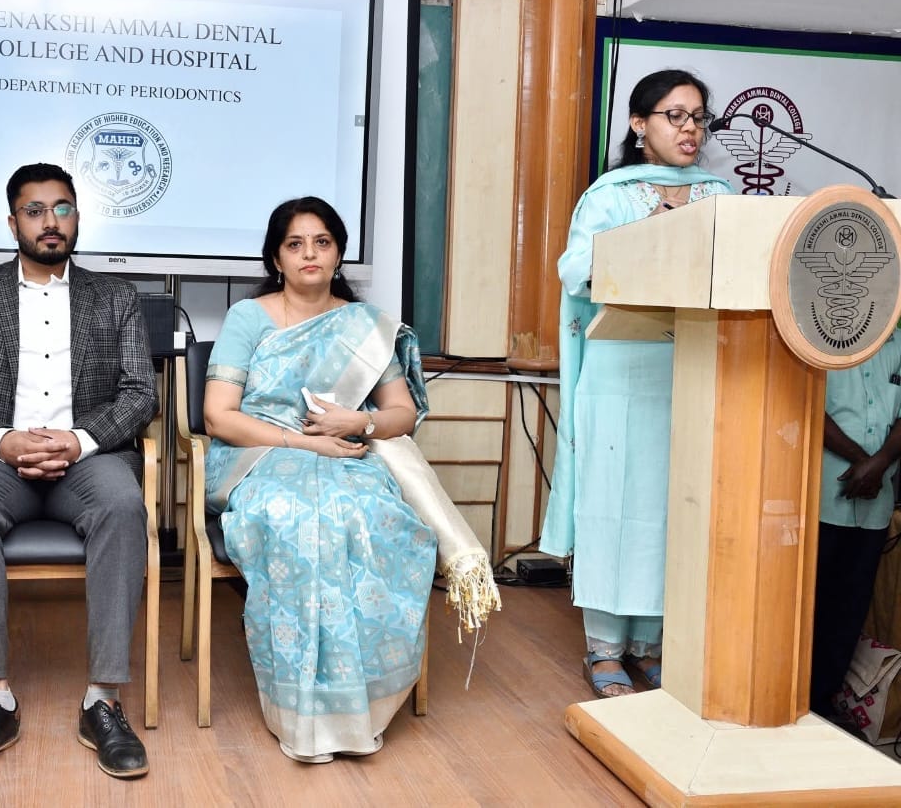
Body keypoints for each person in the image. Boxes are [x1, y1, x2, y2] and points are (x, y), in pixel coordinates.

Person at [203, 196, 497, 764]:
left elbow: (401, 414)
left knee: (372, 515)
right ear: (276, 258)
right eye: (295, 244)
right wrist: (306, 441)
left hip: (348, 454)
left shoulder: (363, 326)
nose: (309, 254)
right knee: (297, 517)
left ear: (339, 254)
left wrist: (357, 422)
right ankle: (300, 712)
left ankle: (359, 705)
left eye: (322, 242)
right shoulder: (248, 318)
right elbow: (219, 417)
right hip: (259, 456)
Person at [0, 162, 157, 782]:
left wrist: (78, 442)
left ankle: (103, 700)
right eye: (34, 211)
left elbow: (140, 394)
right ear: (13, 223)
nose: (50, 222)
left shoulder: (116, 296)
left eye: (62, 208)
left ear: (77, 217)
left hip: (89, 460)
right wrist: (3, 442)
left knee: (123, 505)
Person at [540, 69, 734, 698]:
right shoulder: (611, 195)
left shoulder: (720, 196)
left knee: (672, 509)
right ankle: (604, 648)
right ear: (638, 124)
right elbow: (575, 269)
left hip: (694, 371)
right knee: (615, 507)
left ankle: (651, 645)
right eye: (675, 115)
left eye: (698, 117)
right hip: (622, 371)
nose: (690, 129)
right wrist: (648, 233)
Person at [811, 333, 901, 725]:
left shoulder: (899, 344)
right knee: (808, 606)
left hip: (874, 503)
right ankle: (792, 700)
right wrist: (864, 463)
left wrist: (878, 464)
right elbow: (806, 405)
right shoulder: (818, 338)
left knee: (849, 611)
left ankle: (822, 704)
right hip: (821, 496)